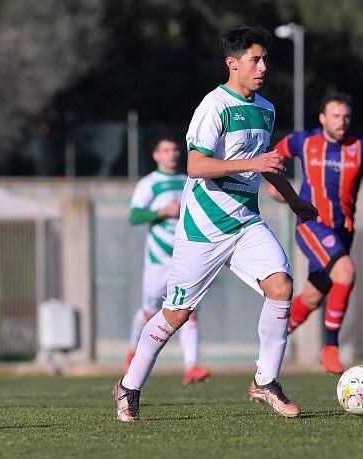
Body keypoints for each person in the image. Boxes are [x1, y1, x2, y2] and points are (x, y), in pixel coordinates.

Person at [113, 26, 318, 422]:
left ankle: (266, 381)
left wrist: (294, 201)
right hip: (203, 227)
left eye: (264, 59)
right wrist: (252, 164)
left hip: (245, 222)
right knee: (176, 315)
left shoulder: (266, 108)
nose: (263, 67)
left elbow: (266, 162)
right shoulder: (214, 106)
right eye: (255, 60)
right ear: (232, 64)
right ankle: (129, 385)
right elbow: (196, 165)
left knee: (281, 286)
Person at [268, 91, 363, 374]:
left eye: (346, 116)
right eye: (336, 116)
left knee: (312, 298)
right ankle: (330, 347)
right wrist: (275, 187)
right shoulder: (304, 141)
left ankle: (269, 342)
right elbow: (273, 157)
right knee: (346, 273)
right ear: (323, 117)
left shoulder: (360, 145)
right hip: (312, 226)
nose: (342, 121)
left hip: (342, 233)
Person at [125, 137, 211, 385]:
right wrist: (161, 211)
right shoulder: (149, 183)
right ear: (156, 155)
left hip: (184, 258)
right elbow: (134, 215)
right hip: (158, 259)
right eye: (165, 150)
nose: (172, 154)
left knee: (189, 311)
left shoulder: (188, 181)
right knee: (150, 311)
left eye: (174, 150)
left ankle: (191, 366)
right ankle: (133, 350)